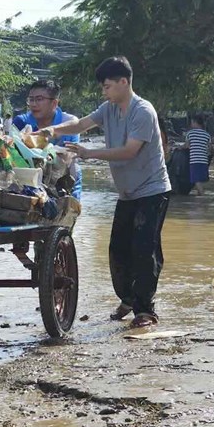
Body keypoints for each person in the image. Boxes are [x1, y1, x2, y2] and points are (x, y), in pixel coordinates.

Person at [35, 56, 171, 328]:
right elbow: (81, 125)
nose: (104, 91)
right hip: (127, 193)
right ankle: (129, 298)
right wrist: (51, 130)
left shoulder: (143, 111)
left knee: (145, 250)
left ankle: (145, 310)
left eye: (107, 86)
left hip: (152, 191)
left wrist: (88, 153)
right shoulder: (109, 108)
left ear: (124, 82)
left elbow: (130, 151)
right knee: (118, 250)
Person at [12, 80, 83, 200]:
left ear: (54, 103)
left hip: (63, 175)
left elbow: (68, 158)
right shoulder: (21, 122)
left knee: (74, 169)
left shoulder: (69, 123)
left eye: (39, 99)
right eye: (31, 99)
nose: (33, 104)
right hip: (29, 174)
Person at [185, 114, 211, 195]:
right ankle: (199, 197)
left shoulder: (190, 133)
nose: (191, 124)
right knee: (200, 180)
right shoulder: (207, 135)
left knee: (196, 180)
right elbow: (210, 148)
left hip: (194, 160)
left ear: (195, 122)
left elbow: (187, 146)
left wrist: (180, 148)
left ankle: (202, 196)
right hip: (204, 161)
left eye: (192, 122)